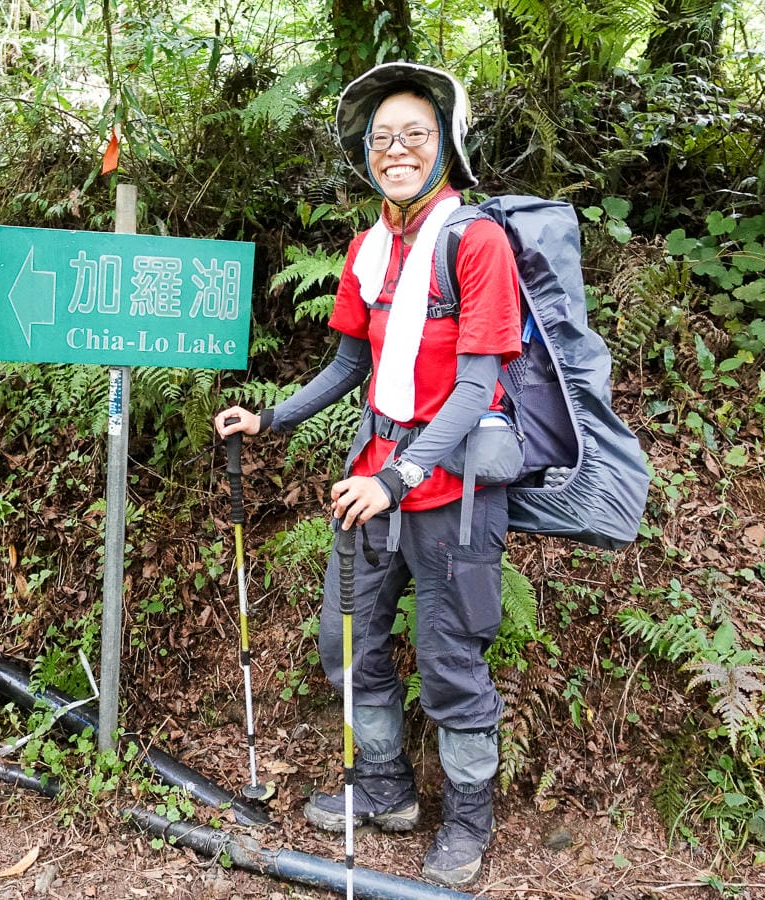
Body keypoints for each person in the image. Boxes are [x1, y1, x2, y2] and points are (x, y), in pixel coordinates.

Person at [214, 62, 521, 889]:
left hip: (451, 491)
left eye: (415, 134)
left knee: (451, 660)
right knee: (345, 640)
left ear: (447, 145)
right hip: (374, 477)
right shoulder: (369, 246)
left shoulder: (475, 240)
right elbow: (350, 359)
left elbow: (478, 383)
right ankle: (385, 789)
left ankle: (466, 823)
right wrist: (273, 415)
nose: (397, 149)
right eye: (383, 138)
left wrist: (403, 474)